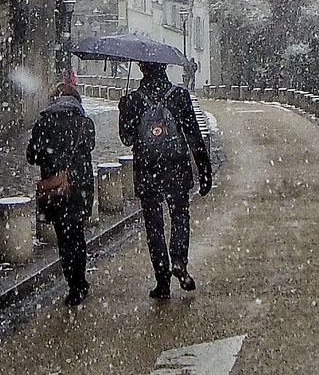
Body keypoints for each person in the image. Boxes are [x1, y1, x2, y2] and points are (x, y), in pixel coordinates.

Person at [118, 61, 212, 299]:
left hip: (147, 170)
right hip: (176, 167)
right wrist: (204, 169)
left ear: (141, 69)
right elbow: (193, 134)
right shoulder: (179, 95)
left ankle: (162, 281)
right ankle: (179, 259)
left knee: (154, 226)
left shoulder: (133, 100)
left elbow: (127, 139)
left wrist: (124, 111)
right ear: (164, 68)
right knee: (180, 215)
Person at [28, 74, 96, 307]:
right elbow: (90, 147)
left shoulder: (44, 122)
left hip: (55, 190)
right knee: (77, 235)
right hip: (80, 188)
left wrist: (51, 157)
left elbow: (32, 156)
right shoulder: (84, 123)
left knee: (64, 238)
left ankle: (72, 285)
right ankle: (80, 282)